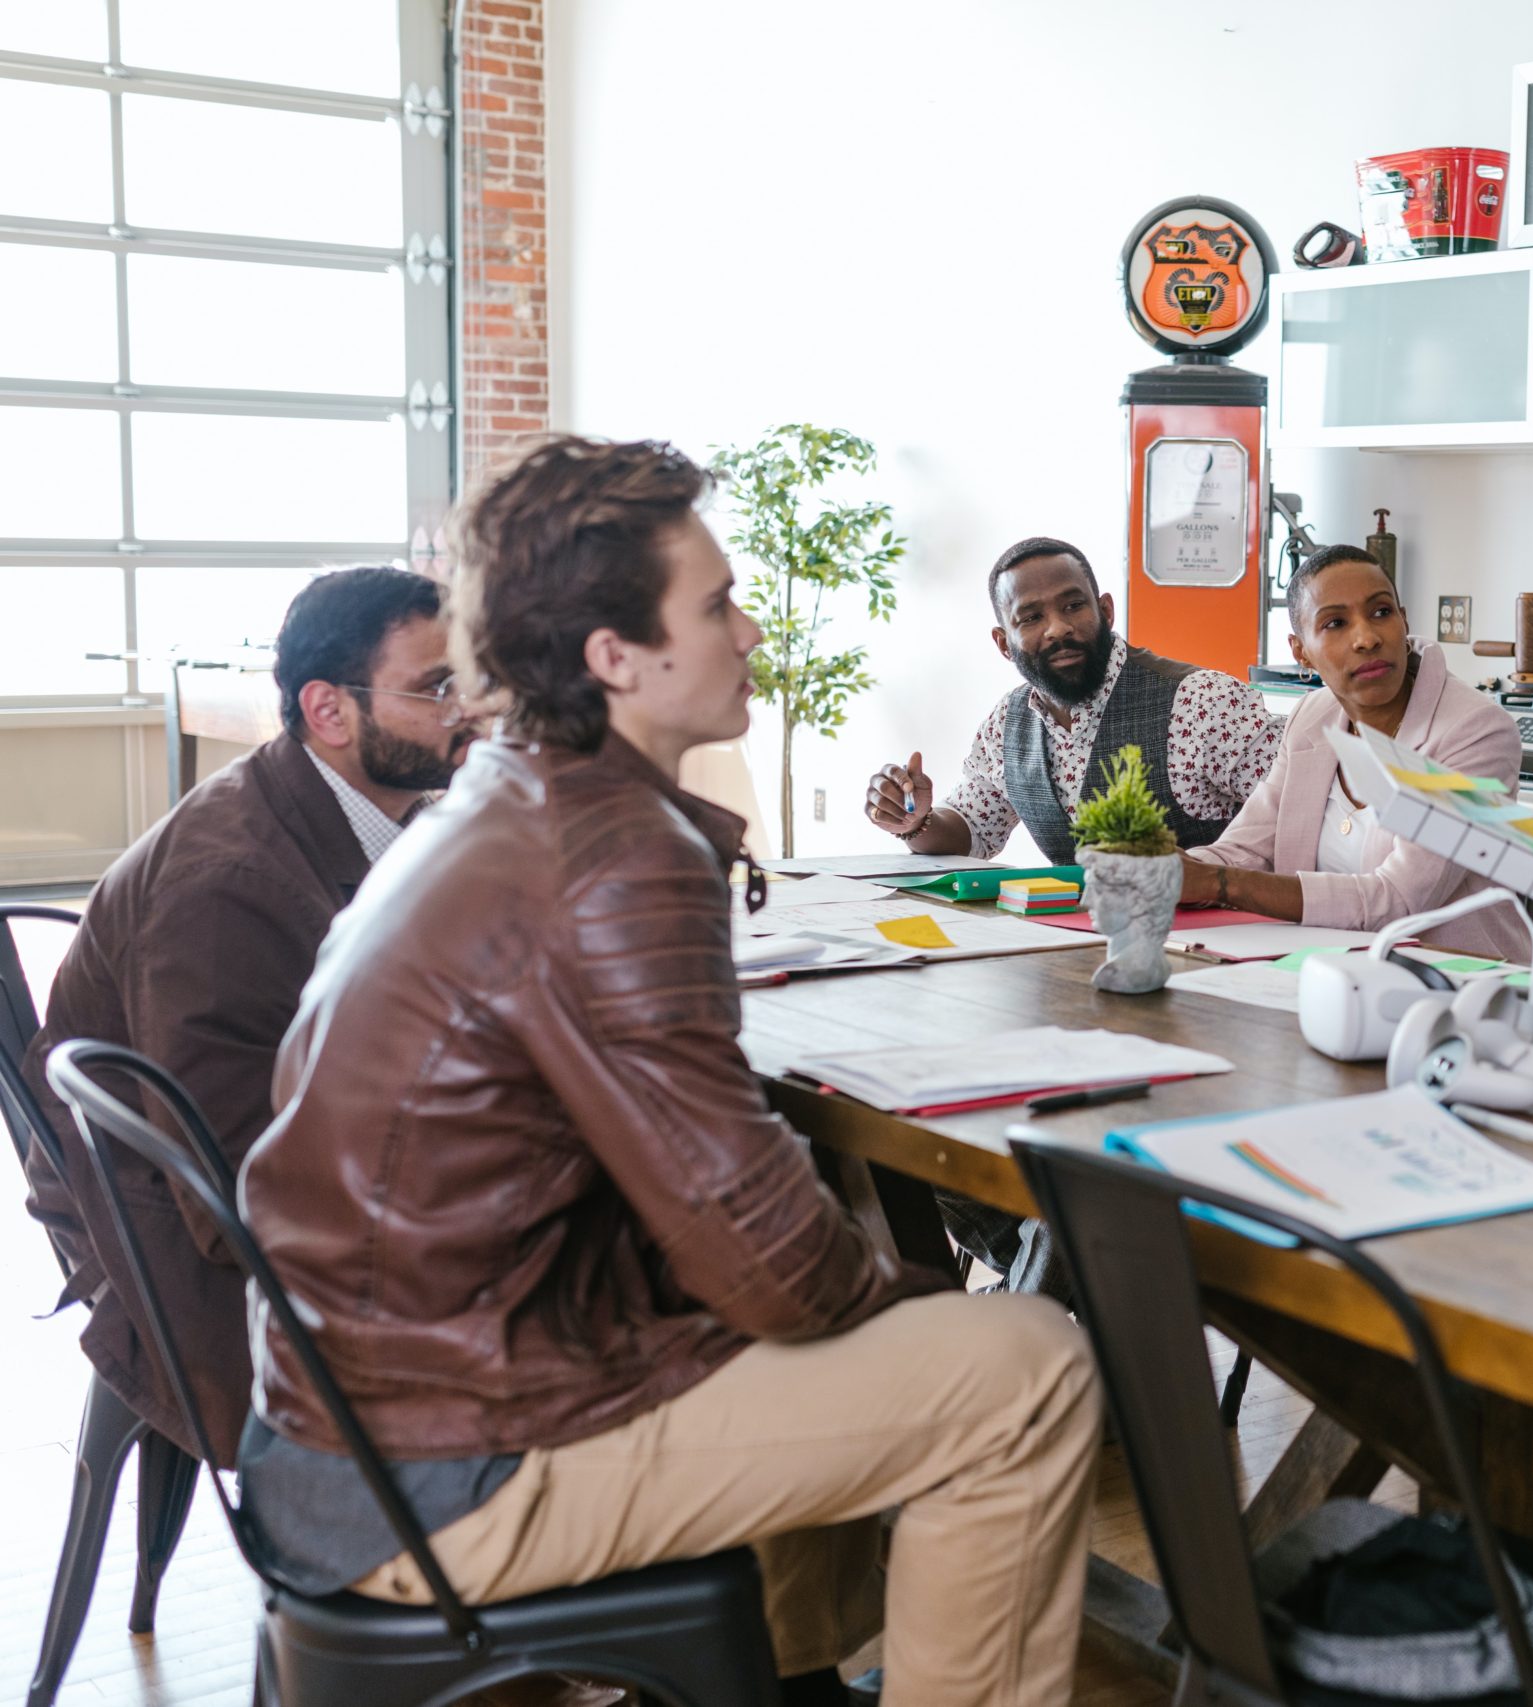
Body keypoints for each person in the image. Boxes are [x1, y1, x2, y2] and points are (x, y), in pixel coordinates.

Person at [235, 439, 1102, 1707]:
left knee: (873, 1319)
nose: (751, 631)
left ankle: (780, 1681)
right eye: (717, 606)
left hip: (355, 1425)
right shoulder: (613, 853)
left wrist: (876, 1296)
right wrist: (912, 1295)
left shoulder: (499, 798)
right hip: (440, 1466)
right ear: (613, 657)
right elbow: (769, 1263)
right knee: (1024, 1368)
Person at [21, 565, 468, 1469]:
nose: (471, 710)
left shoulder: (385, 814)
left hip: (258, 1189)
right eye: (437, 687)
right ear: (330, 712)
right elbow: (232, 1201)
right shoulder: (230, 888)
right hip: (175, 1254)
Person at [1182, 544, 1533, 961]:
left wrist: (1221, 883)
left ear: (1404, 620)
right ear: (1301, 651)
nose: (1366, 638)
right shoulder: (1313, 717)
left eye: (1381, 612)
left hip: (1457, 988)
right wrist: (1161, 869)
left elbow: (1399, 899)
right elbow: (1246, 850)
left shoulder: (1475, 731)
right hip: (1324, 972)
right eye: (1335, 623)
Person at [864, 535, 1278, 863]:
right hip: (1074, 952)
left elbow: (1304, 817)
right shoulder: (1006, 725)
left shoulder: (1203, 702)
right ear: (1003, 643)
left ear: (1106, 612)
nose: (1057, 628)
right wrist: (914, 821)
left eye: (1074, 606)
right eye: (1031, 618)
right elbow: (972, 830)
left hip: (1217, 948)